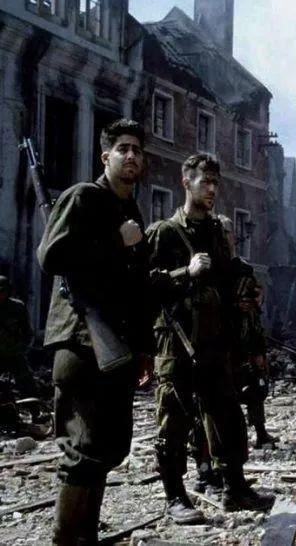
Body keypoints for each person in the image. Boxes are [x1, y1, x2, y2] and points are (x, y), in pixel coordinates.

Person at [37, 118, 155, 544]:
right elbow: (51, 256)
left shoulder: (131, 212)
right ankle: (67, 538)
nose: (131, 156)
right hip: (81, 342)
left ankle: (84, 535)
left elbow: (137, 287)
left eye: (137, 150)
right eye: (122, 148)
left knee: (111, 446)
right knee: (83, 448)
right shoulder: (83, 197)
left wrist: (144, 348)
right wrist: (115, 242)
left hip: (116, 347)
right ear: (106, 157)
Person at [147, 154, 270, 523]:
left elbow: (230, 273)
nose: (213, 189)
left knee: (227, 416)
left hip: (215, 341)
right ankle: (175, 497)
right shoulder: (164, 232)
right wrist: (186, 272)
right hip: (177, 340)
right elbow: (144, 284)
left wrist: (250, 289)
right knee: (174, 420)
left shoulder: (216, 232)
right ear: (186, 183)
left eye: (216, 183)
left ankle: (235, 487)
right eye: (205, 182)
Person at [217, 214, 277, 449]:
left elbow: (255, 307)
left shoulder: (243, 268)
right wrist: (232, 306)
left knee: (255, 385)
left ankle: (260, 432)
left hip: (245, 338)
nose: (224, 238)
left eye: (227, 233)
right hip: (220, 338)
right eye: (220, 234)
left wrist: (259, 349)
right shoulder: (212, 269)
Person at [0, 275, 38, 405]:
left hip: (14, 353)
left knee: (27, 382)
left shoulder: (18, 307)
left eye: (3, 290)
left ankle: (34, 410)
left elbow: (27, 333)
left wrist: (22, 347)